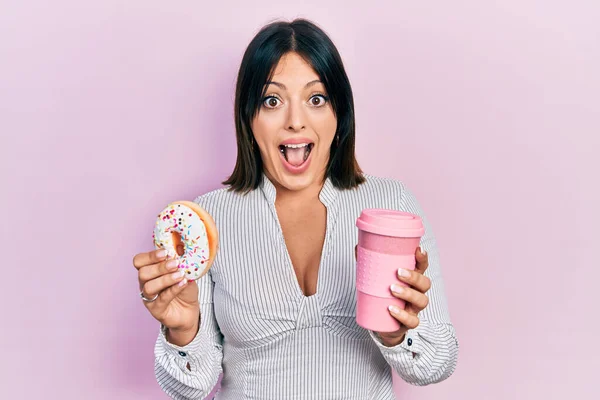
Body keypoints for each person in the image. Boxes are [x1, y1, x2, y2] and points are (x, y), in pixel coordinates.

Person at [132, 18, 459, 400]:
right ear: (248, 118)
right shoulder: (209, 220)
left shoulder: (391, 206)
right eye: (272, 101)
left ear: (340, 115)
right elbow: (190, 386)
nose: (295, 121)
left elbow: (438, 362)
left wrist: (397, 333)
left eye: (316, 99)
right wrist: (183, 330)